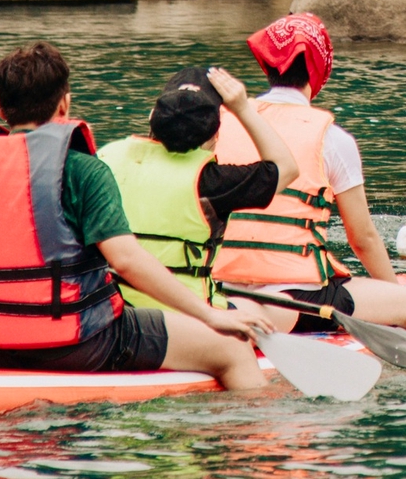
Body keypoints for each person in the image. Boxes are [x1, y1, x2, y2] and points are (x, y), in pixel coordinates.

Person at [0, 41, 274, 390]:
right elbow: (126, 260)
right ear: (65, 104)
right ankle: (248, 438)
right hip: (80, 347)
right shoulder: (83, 169)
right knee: (233, 349)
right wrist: (210, 316)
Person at [212, 13, 406, 343]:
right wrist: (395, 298)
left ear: (267, 65)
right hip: (296, 299)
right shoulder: (333, 139)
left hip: (218, 289)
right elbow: (363, 238)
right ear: (318, 69)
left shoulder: (219, 125)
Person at [96, 64, 301, 310]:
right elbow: (286, 168)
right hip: (190, 316)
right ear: (214, 133)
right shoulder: (212, 181)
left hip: (115, 310)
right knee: (283, 307)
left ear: (153, 116)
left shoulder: (107, 157)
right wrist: (242, 107)